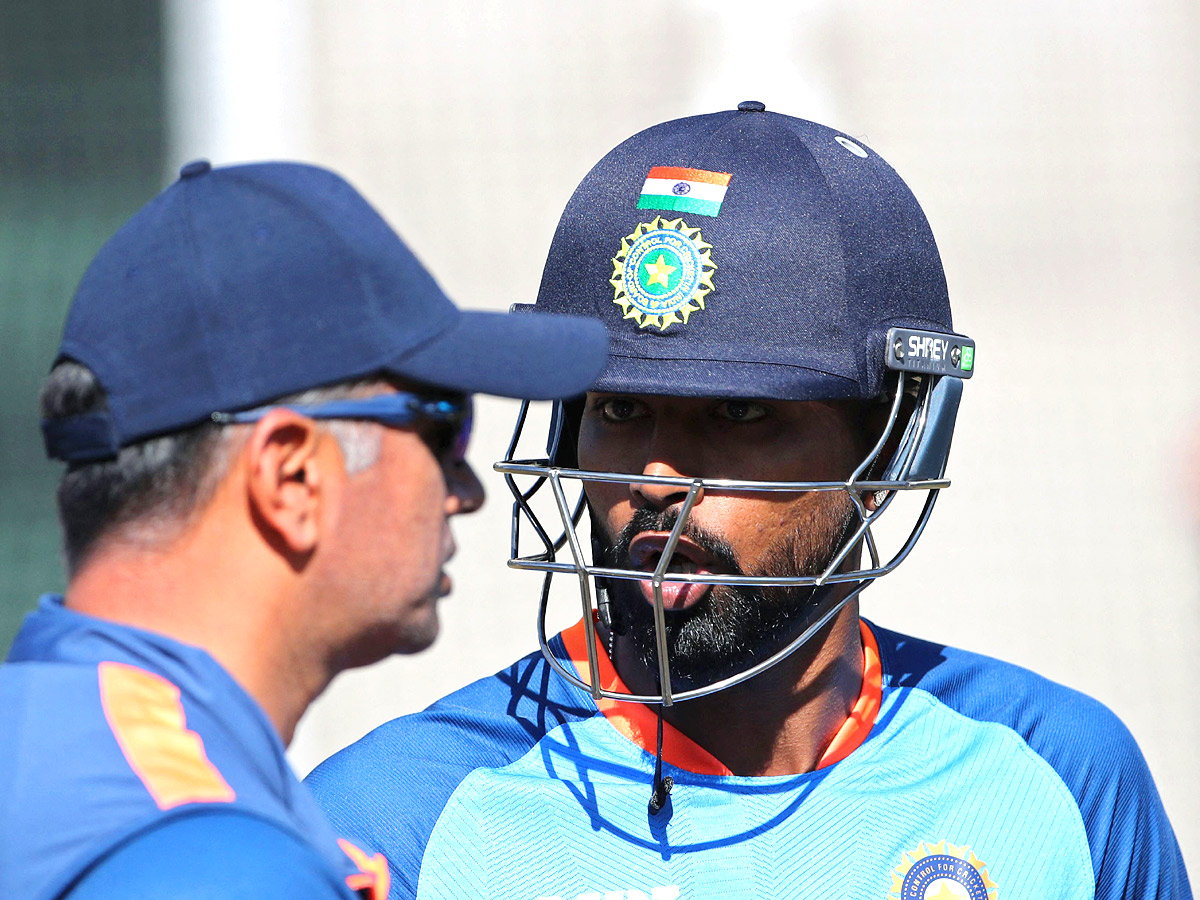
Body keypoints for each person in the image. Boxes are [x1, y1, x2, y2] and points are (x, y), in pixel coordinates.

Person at [306, 104, 1192, 899]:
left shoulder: (1059, 776)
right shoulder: (398, 821)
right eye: (618, 410)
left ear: (892, 443)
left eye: (740, 414)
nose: (656, 483)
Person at [0, 159, 607, 900]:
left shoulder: (44, 739)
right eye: (441, 426)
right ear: (290, 477)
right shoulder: (205, 855)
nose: (468, 491)